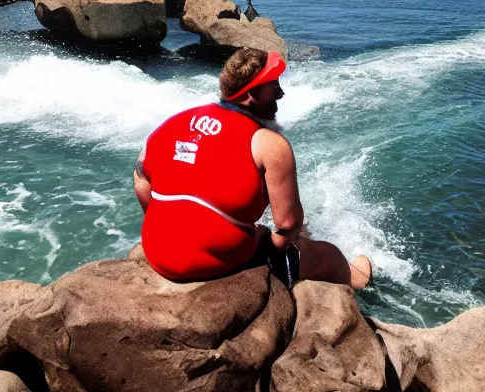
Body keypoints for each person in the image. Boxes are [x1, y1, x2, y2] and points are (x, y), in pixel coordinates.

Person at [133, 48, 371, 290]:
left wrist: (175, 223)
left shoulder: (173, 123)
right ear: (252, 94)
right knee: (326, 254)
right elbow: (288, 223)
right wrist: (274, 258)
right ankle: (351, 279)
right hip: (211, 262)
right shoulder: (268, 143)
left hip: (157, 249)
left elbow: (141, 181)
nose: (281, 93)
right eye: (274, 86)